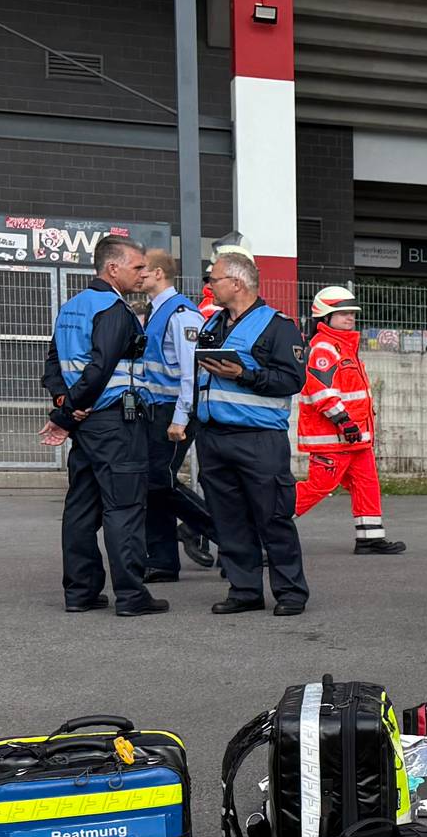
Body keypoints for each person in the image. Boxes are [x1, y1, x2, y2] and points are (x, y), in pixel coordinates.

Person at [44, 235, 161, 614]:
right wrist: (68, 412)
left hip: (87, 424)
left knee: (81, 509)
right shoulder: (113, 309)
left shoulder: (72, 307)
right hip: (115, 423)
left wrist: (66, 406)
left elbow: (52, 364)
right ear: (113, 268)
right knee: (124, 508)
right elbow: (101, 368)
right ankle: (131, 595)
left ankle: (80, 592)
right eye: (137, 267)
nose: (143, 274)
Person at [191, 251, 309, 616]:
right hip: (213, 436)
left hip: (258, 439)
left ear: (237, 283)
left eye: (215, 279)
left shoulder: (279, 327)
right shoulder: (213, 325)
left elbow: (293, 380)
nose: (209, 285)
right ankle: (244, 590)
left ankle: (290, 593)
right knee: (228, 519)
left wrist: (243, 375)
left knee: (272, 517)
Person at [292, 286, 405, 555]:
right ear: (325, 318)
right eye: (341, 313)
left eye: (351, 313)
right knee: (319, 486)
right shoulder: (324, 349)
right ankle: (266, 525)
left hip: (356, 438)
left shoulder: (344, 347)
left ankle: (370, 537)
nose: (349, 318)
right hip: (335, 437)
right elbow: (321, 391)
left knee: (367, 483)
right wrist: (344, 422)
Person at [128, 251, 214, 580]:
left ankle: (230, 535)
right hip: (158, 410)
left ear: (160, 273)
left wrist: (181, 417)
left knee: (156, 481)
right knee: (155, 484)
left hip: (173, 411)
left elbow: (191, 373)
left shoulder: (182, 314)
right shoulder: (159, 311)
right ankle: (162, 560)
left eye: (143, 271)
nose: (138, 276)